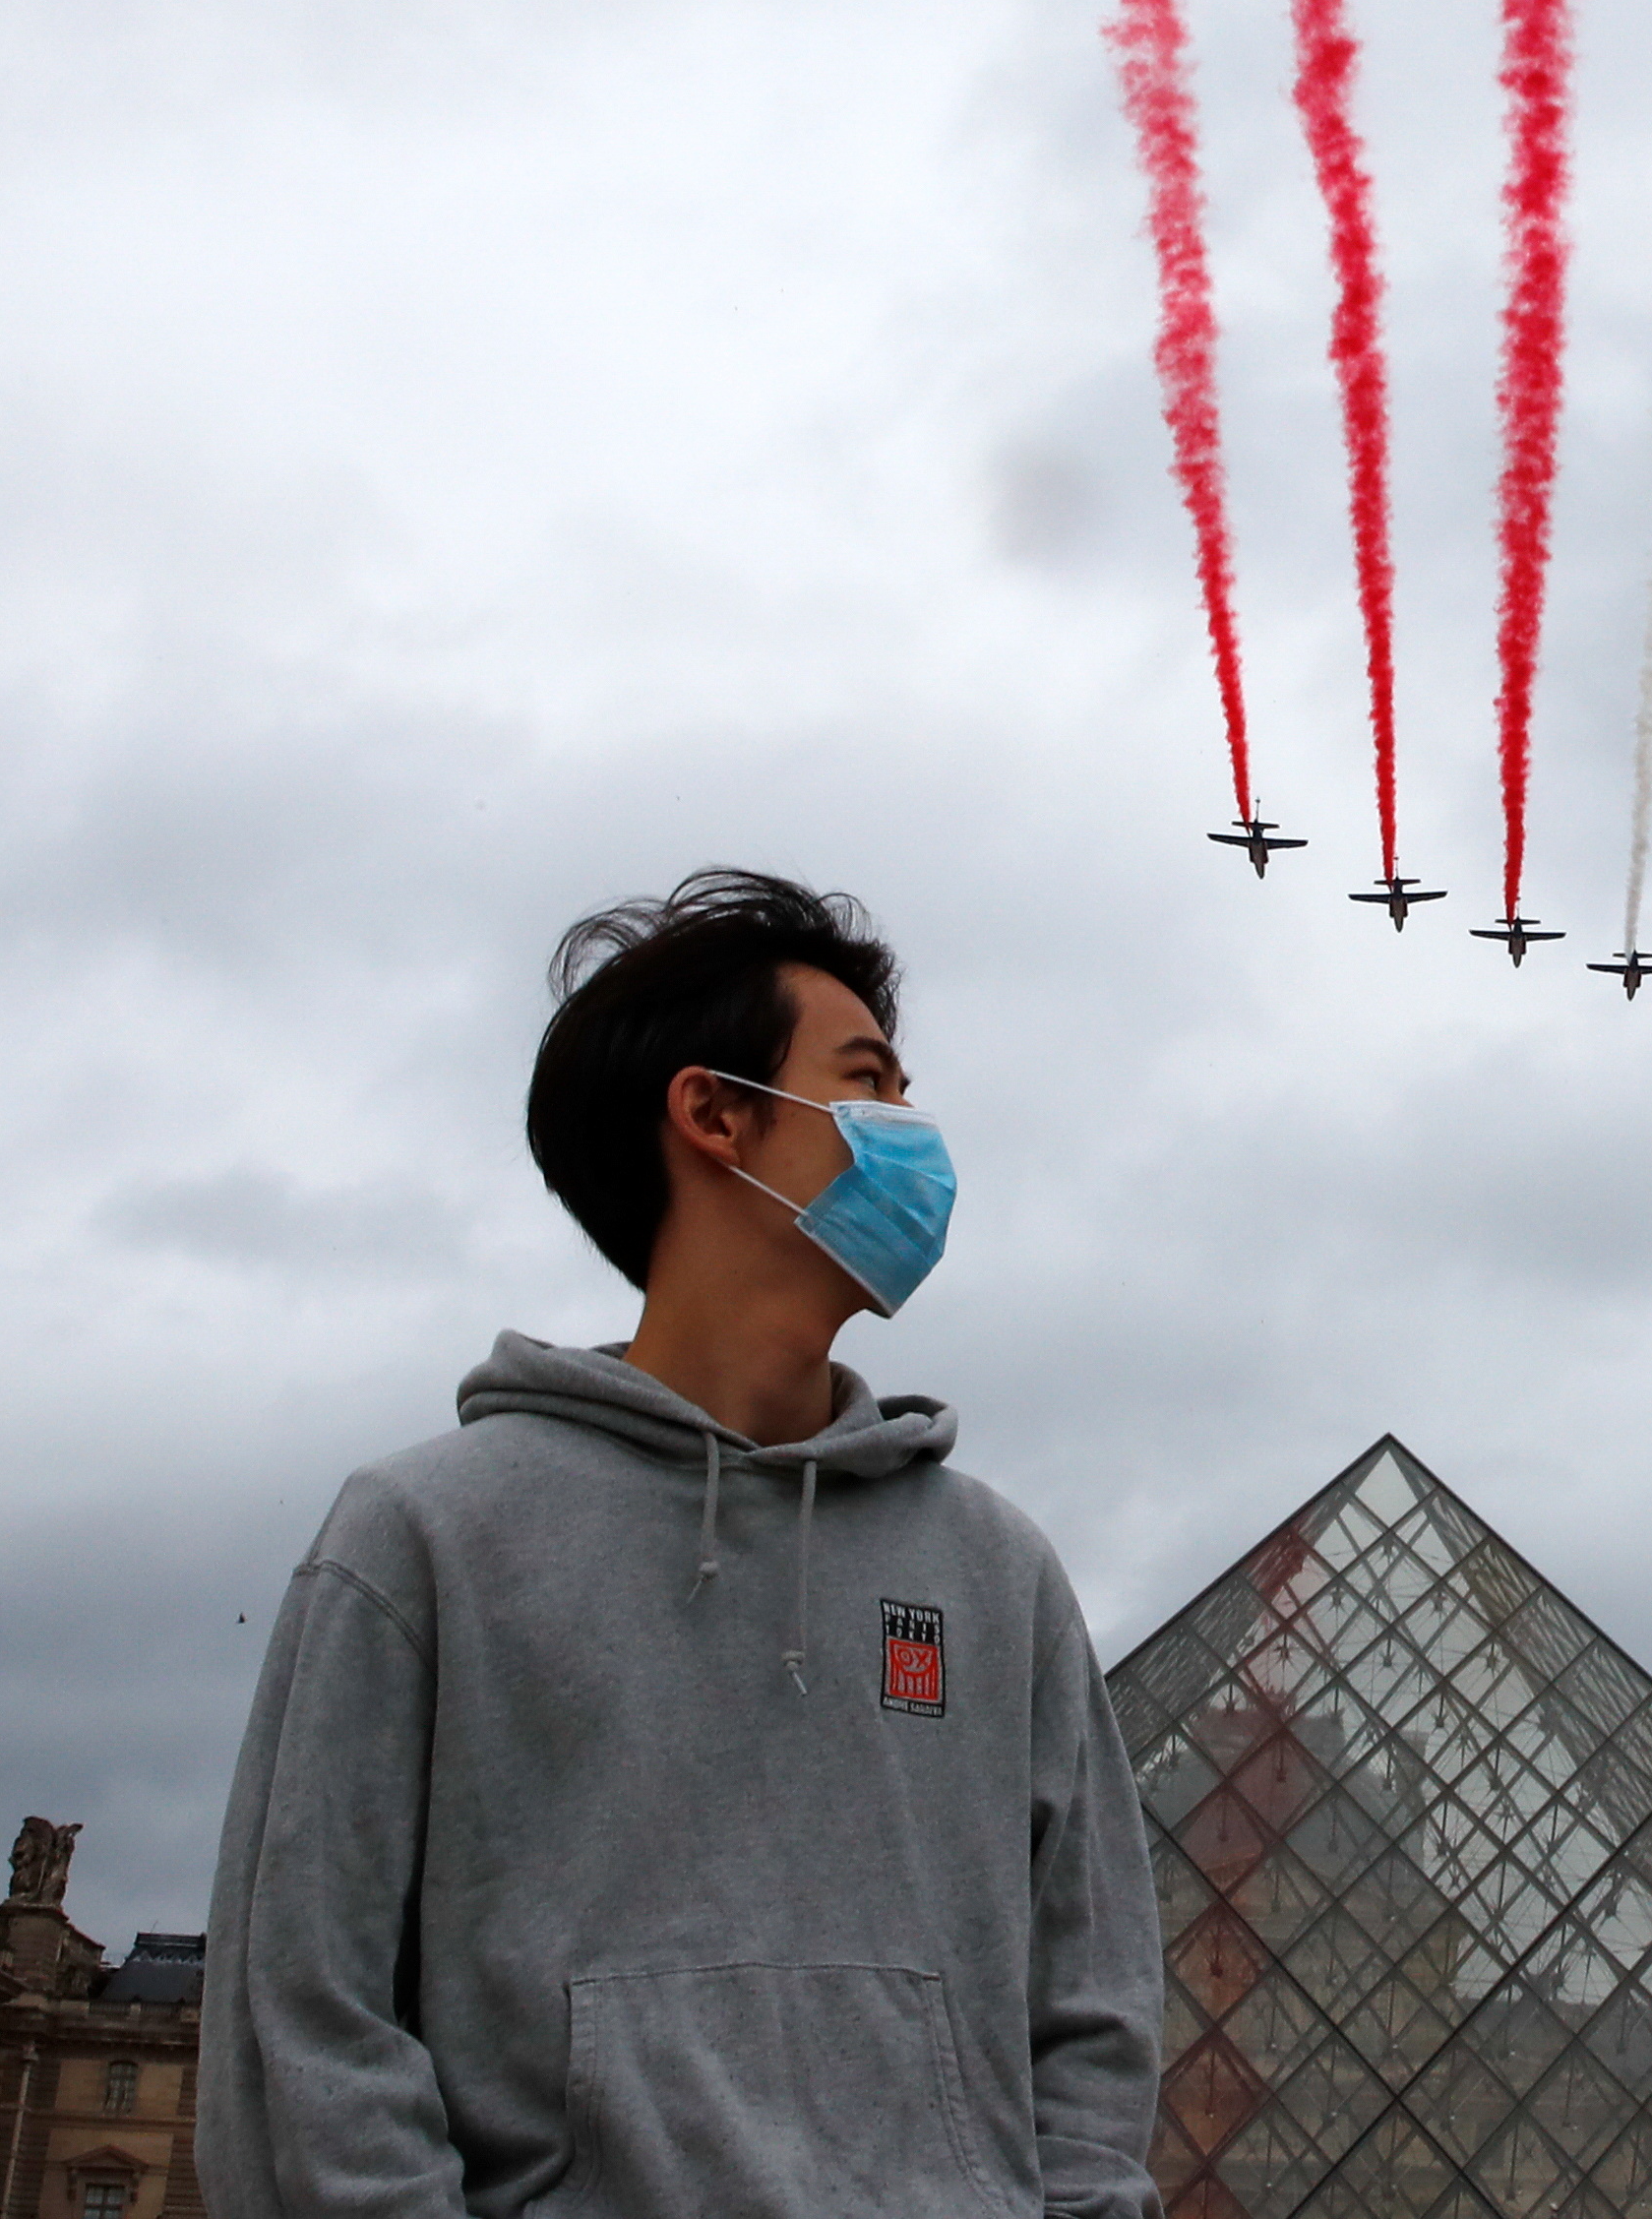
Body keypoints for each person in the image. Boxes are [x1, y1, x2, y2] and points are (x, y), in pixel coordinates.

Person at [201, 871, 1160, 2219]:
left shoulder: (999, 1570)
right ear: (714, 1112)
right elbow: (303, 2018)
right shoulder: (426, 1537)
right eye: (870, 1084)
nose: (913, 1134)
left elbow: (1094, 2003)